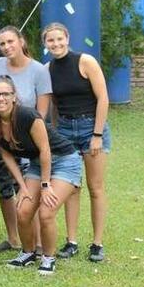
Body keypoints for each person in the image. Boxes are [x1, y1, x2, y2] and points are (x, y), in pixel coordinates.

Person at [0, 77, 81, 275]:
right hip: (37, 165)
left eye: (5, 93)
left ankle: (48, 257)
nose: (1, 98)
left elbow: (45, 149)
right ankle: (27, 253)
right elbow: (6, 155)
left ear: (14, 97)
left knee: (46, 212)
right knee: (22, 211)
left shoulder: (27, 115)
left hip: (64, 160)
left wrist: (45, 186)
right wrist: (22, 185)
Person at [43, 23, 110, 262]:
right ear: (46, 44)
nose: (56, 44)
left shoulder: (86, 61)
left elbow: (103, 98)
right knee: (72, 187)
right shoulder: (47, 68)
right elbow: (54, 105)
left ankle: (97, 243)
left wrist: (97, 135)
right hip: (64, 131)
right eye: (51, 41)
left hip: (91, 127)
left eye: (60, 39)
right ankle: (71, 242)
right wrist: (53, 132)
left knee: (95, 187)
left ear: (67, 38)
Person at [0, 26, 53, 253]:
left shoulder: (38, 70)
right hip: (4, 138)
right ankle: (14, 238)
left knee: (28, 193)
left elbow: (42, 113)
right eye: (2, 43)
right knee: (6, 189)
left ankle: (37, 244)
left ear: (21, 41)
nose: (7, 47)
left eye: (10, 41)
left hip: (28, 143)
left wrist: (26, 140)